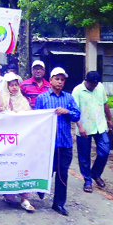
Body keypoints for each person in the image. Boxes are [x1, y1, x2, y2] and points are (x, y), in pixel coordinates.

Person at [35, 67, 80, 216]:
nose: (60, 82)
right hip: (47, 143)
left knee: (62, 174)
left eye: (62, 80)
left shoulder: (68, 98)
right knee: (47, 170)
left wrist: (67, 112)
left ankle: (59, 203)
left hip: (64, 142)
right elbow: (36, 119)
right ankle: (41, 188)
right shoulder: (42, 98)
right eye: (57, 79)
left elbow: (76, 115)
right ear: (51, 79)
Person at [0, 72, 35, 212]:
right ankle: (9, 194)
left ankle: (25, 197)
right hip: (6, 139)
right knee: (9, 164)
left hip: (22, 139)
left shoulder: (23, 100)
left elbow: (29, 116)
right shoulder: (2, 99)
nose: (14, 87)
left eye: (15, 85)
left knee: (23, 165)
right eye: (11, 85)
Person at [72, 71, 113, 193]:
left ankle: (95, 173)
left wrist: (110, 119)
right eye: (92, 84)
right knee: (84, 156)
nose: (94, 86)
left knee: (104, 151)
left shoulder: (100, 87)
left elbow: (105, 104)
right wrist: (80, 127)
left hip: (100, 125)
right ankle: (87, 180)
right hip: (84, 127)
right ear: (86, 80)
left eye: (95, 84)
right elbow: (75, 111)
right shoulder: (77, 91)